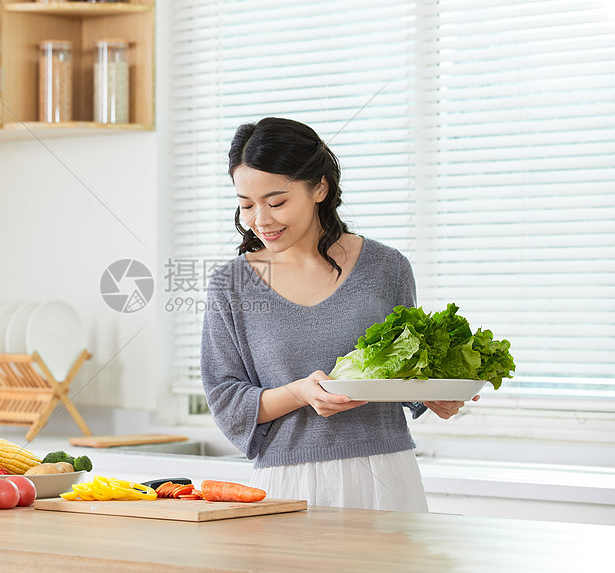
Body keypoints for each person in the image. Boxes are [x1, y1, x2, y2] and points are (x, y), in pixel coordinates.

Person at [200, 117, 476, 511]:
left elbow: (410, 366)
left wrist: (435, 394)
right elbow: (226, 398)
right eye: (246, 204)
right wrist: (298, 393)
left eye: (276, 202)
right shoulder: (231, 284)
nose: (260, 220)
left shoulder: (386, 267)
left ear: (320, 188)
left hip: (388, 473)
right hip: (287, 483)